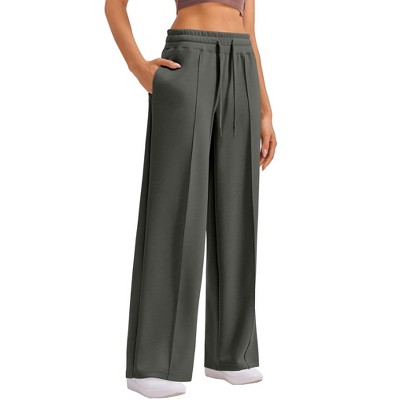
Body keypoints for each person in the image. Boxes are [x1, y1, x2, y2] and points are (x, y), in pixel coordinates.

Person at [105, 0, 277, 397]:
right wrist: (138, 67)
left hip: (241, 62)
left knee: (238, 210)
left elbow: (250, 29)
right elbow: (114, 6)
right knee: (174, 208)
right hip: (189, 56)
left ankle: (232, 355)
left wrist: (265, 110)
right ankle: (153, 363)